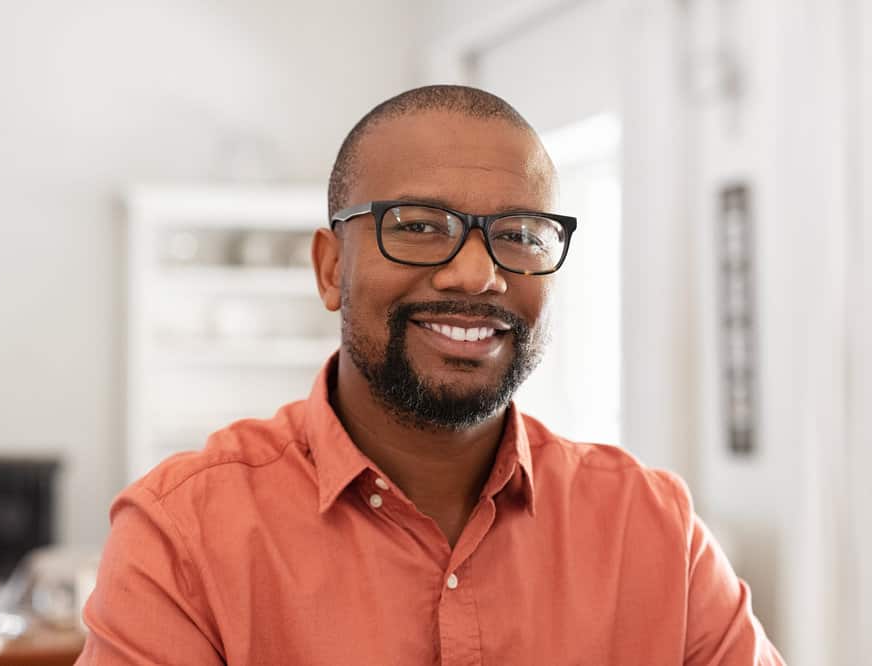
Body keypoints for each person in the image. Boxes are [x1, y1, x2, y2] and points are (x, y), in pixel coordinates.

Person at [77, 85, 784, 665]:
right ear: (331, 269)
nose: (476, 274)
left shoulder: (653, 529)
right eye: (418, 226)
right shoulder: (184, 535)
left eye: (519, 235)